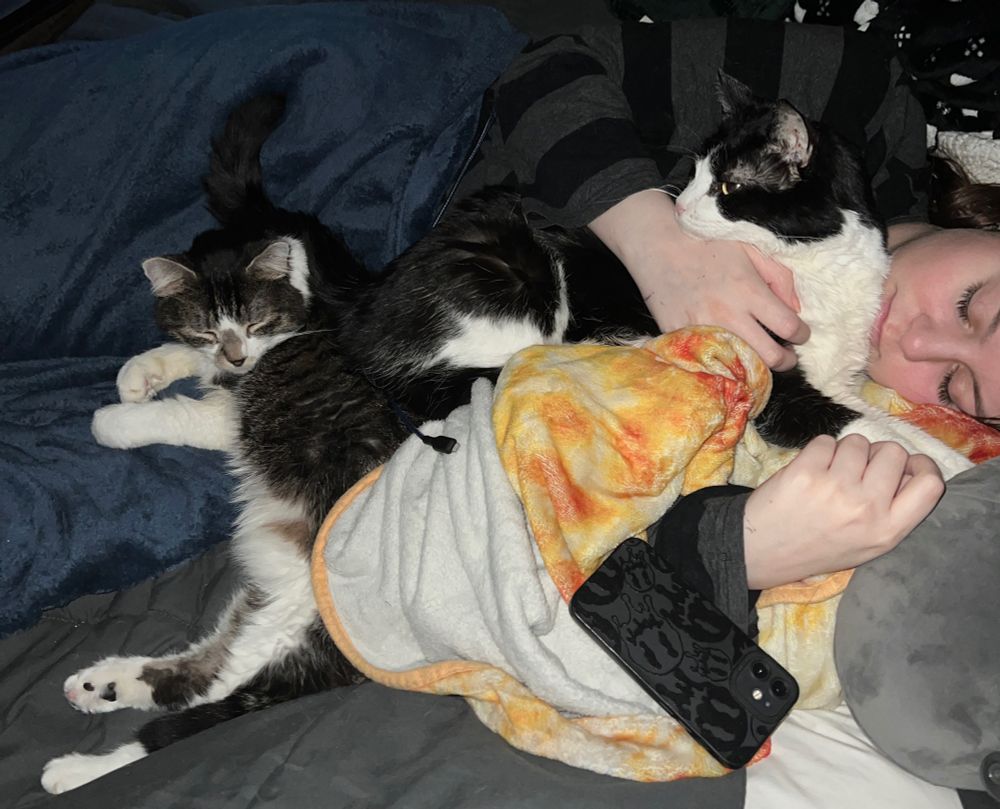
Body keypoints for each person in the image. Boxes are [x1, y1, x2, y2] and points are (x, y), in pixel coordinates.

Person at [450, 17, 1000, 615]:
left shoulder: (847, 387)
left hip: (460, 426)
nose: (915, 340)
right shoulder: (862, 99)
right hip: (440, 162)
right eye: (972, 304)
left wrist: (737, 551)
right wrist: (660, 252)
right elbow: (544, 68)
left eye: (954, 385)